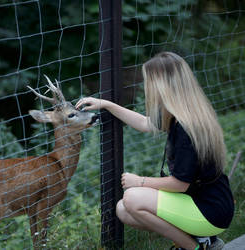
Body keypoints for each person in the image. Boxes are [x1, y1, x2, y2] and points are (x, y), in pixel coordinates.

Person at [75, 52, 234, 250]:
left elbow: (180, 184)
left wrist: (139, 181)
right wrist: (106, 104)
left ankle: (193, 247)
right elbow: (144, 123)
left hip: (210, 210)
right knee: (123, 210)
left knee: (133, 198)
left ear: (162, 85)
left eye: (149, 81)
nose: (146, 87)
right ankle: (203, 241)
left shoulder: (186, 128)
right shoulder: (182, 114)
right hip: (203, 201)